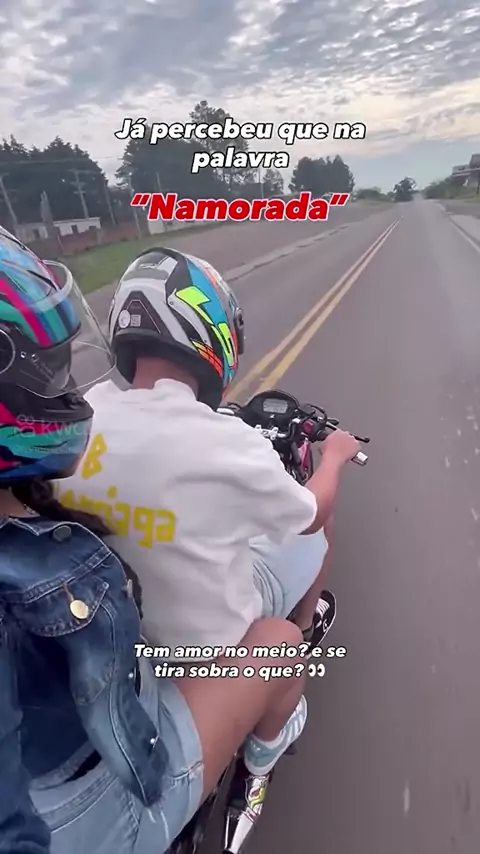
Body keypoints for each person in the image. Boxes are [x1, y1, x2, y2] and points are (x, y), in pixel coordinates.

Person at [0, 226, 312, 854]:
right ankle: (266, 747)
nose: (67, 393)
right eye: (47, 370)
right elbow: (305, 515)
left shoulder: (35, 517)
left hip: (81, 736)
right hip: (103, 802)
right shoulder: (39, 564)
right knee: (283, 643)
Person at [57, 245, 360, 654]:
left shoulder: (82, 416)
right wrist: (335, 457)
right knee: (318, 528)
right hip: (207, 644)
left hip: (112, 625)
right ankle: (306, 627)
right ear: (211, 329)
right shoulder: (228, 441)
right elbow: (310, 514)